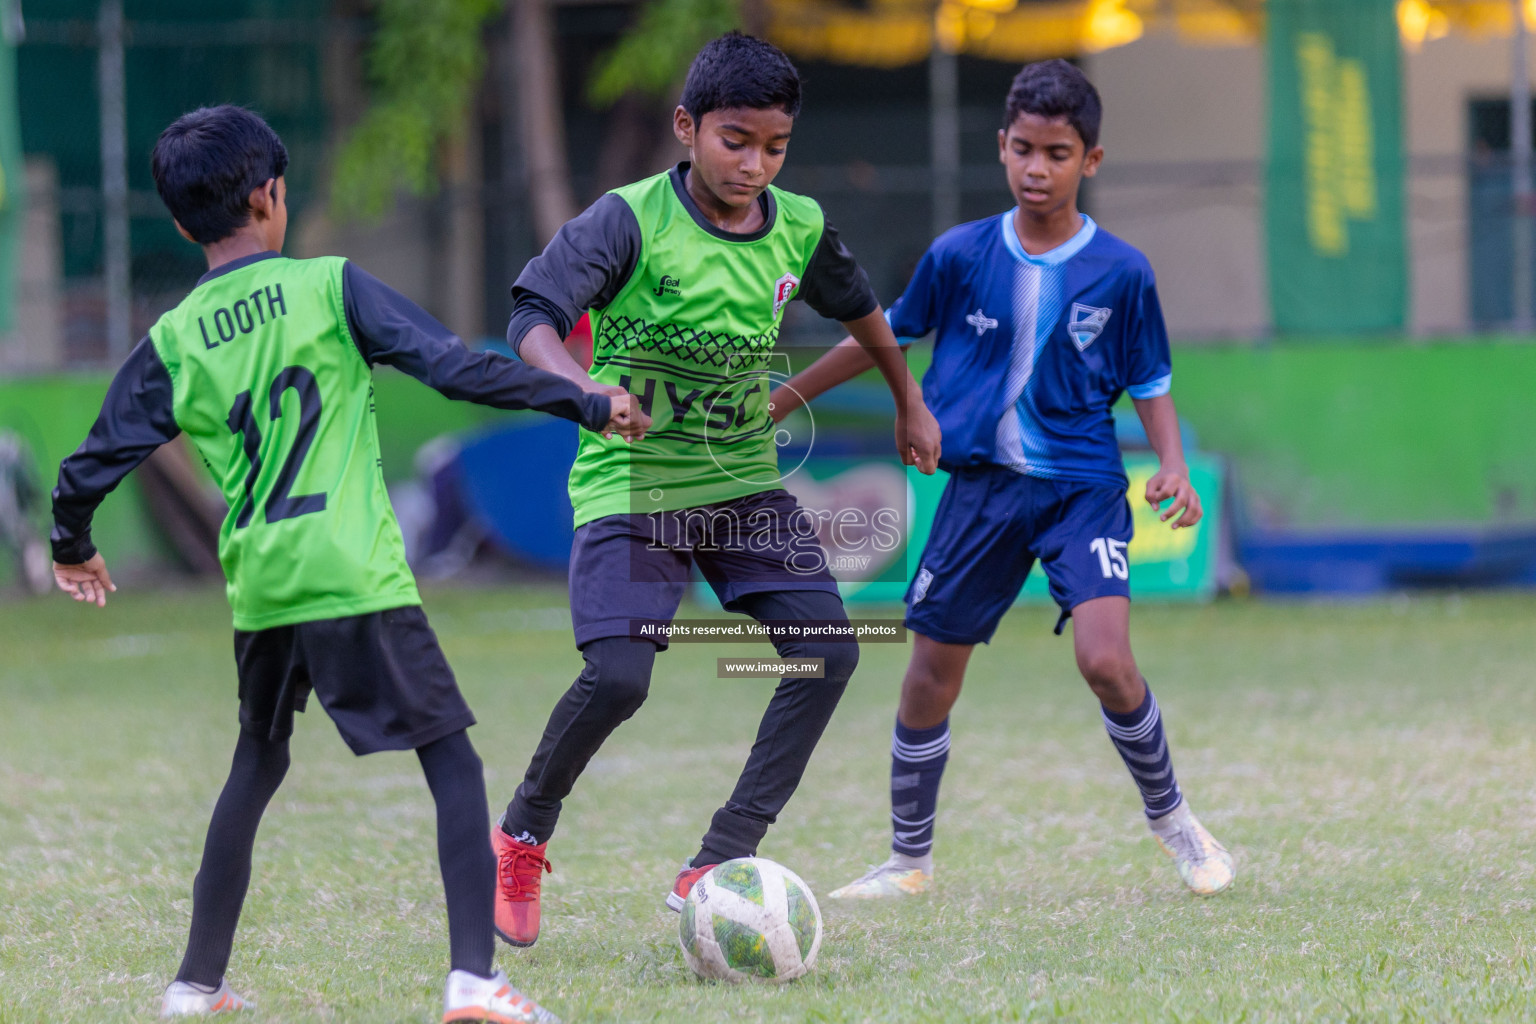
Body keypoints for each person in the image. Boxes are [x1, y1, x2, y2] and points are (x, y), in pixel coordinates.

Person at [49, 104, 644, 1022]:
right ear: (272, 195)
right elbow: (452, 367)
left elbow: (88, 464)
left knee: (257, 759)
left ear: (180, 222)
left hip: (262, 586)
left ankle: (193, 986)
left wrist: (73, 546)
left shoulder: (173, 338)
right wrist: (586, 402)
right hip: (350, 571)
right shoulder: (329, 286)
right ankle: (474, 981)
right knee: (451, 757)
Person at [488, 32, 942, 947]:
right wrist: (582, 391)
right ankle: (522, 833)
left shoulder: (800, 226)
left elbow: (865, 315)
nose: (754, 164)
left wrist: (910, 402)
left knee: (828, 652)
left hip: (740, 484)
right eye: (736, 140)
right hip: (633, 479)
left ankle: (718, 856)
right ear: (687, 127)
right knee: (619, 676)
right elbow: (531, 318)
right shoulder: (627, 221)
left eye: (774, 147)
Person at [769, 60, 1235, 901]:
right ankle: (908, 863)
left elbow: (1151, 379)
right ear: (1001, 147)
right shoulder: (960, 254)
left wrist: (1169, 462)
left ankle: (1176, 826)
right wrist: (784, 398)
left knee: (1106, 660)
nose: (1036, 168)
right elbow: (884, 337)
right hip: (980, 490)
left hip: (1082, 488)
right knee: (927, 675)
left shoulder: (1122, 272)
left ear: (1089, 161)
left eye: (1057, 154)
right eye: (1023, 149)